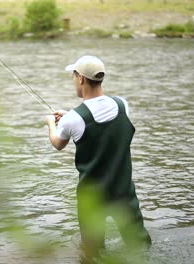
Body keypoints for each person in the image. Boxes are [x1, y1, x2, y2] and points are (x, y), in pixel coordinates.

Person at [45, 55, 151, 263]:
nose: (73, 80)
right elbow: (104, 124)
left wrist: (51, 123)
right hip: (123, 192)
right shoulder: (123, 105)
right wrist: (68, 117)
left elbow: (58, 143)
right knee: (140, 247)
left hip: (92, 199)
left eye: (73, 76)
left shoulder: (73, 119)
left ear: (81, 79)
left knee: (92, 254)